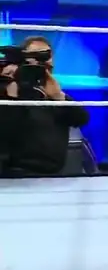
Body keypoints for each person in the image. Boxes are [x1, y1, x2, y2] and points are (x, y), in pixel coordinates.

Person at [0, 37, 89, 175]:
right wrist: (12, 93)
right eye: (35, 55)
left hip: (53, 175)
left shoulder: (54, 92)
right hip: (15, 173)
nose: (42, 62)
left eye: (46, 56)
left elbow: (81, 119)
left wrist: (59, 97)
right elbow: (7, 129)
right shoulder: (9, 90)